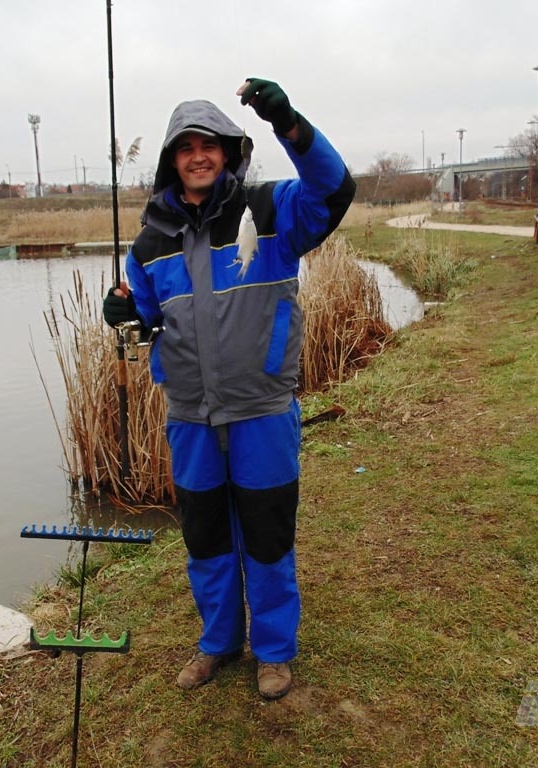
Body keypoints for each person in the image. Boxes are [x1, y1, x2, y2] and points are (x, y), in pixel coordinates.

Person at [103, 77, 355, 700]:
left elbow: (335, 188)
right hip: (189, 417)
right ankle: (219, 643)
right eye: (185, 146)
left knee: (268, 538)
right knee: (207, 540)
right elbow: (146, 313)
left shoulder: (269, 211)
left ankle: (273, 652)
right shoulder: (149, 241)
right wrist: (121, 311)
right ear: (171, 160)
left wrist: (288, 122)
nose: (198, 155)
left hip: (262, 411)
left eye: (209, 143)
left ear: (229, 150)